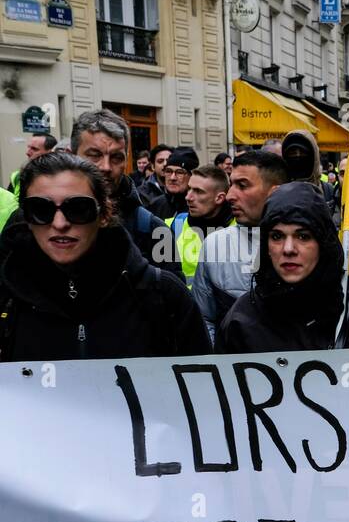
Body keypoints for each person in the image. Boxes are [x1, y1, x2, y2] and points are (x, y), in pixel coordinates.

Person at [0, 153, 210, 361]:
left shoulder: (163, 295)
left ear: (104, 215)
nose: (60, 224)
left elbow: (201, 383)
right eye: (40, 209)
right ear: (26, 217)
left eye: (79, 208)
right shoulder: (6, 296)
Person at [218, 183, 349, 354]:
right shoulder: (242, 319)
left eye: (303, 236)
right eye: (277, 236)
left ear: (322, 244)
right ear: (266, 245)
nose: (288, 249)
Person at [70, 110, 177, 278]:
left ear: (127, 159)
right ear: (72, 156)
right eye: (95, 155)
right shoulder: (39, 220)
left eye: (116, 158)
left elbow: (173, 298)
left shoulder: (154, 230)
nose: (105, 167)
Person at [193, 149, 287, 337]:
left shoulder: (307, 247)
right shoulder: (214, 245)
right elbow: (204, 320)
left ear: (274, 193)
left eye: (242, 186)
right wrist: (220, 361)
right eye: (231, 184)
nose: (229, 196)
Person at [167, 164, 234, 289]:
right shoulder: (175, 224)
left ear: (219, 198)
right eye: (189, 189)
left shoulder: (242, 230)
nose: (188, 197)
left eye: (198, 191)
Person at [147, 147, 198, 220]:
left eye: (180, 172)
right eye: (168, 171)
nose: (172, 178)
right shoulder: (156, 205)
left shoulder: (200, 207)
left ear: (191, 176)